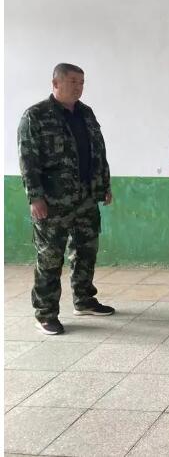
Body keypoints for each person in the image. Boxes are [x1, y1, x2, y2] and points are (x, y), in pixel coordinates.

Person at [18, 63, 115, 335]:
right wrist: (35, 197)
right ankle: (45, 313)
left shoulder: (86, 113)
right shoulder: (36, 115)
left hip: (86, 197)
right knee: (50, 258)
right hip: (53, 201)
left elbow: (98, 151)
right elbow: (28, 160)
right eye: (73, 81)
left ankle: (84, 300)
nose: (78, 87)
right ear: (56, 83)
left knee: (86, 251)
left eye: (82, 82)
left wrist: (104, 185)